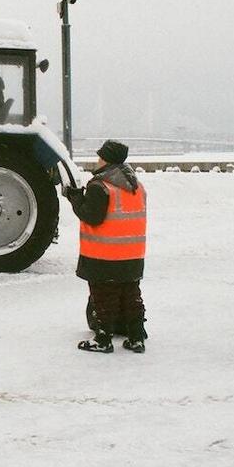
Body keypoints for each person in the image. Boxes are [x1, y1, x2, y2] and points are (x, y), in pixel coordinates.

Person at [64, 140, 148, 354]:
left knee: (103, 296)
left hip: (104, 254)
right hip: (132, 254)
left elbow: (92, 217)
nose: (97, 159)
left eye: (100, 156)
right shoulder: (136, 186)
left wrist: (75, 199)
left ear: (107, 159)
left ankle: (103, 339)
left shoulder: (100, 186)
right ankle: (136, 337)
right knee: (131, 295)